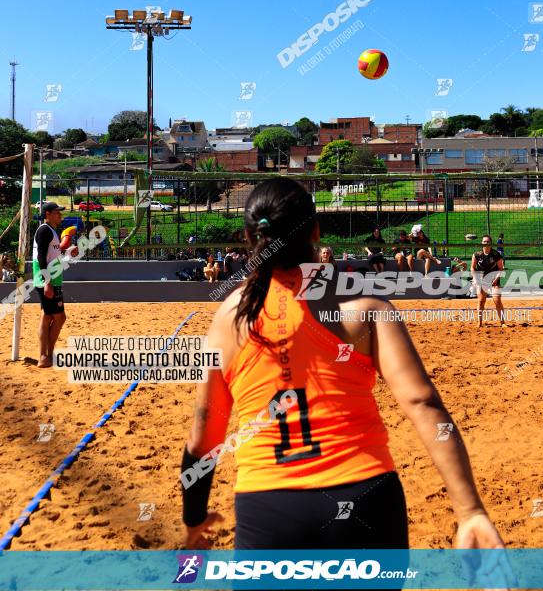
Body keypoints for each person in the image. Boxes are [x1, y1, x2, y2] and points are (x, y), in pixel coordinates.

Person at [181, 177, 504, 554]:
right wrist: (470, 511)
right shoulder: (364, 308)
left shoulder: (228, 319)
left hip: (269, 508)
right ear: (316, 231)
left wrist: (194, 519)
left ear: (249, 237)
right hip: (366, 496)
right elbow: (422, 404)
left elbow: (204, 439)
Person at [32, 202, 76, 369]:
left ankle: (47, 356)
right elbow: (41, 257)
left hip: (51, 279)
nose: (60, 215)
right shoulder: (44, 230)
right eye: (57, 212)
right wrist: (47, 282)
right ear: (48, 213)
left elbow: (51, 255)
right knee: (56, 317)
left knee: (49, 316)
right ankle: (44, 356)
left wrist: (67, 251)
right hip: (48, 280)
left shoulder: (50, 231)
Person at [471, 235, 506, 328]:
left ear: (490, 243)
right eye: (484, 241)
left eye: (487, 241)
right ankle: (480, 323)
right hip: (482, 279)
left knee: (497, 300)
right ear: (482, 243)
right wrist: (475, 278)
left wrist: (496, 279)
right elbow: (472, 268)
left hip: (494, 278)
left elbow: (501, 269)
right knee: (481, 300)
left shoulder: (496, 254)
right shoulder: (477, 254)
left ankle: (502, 323)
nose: (485, 243)